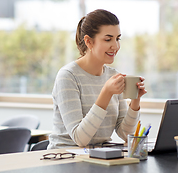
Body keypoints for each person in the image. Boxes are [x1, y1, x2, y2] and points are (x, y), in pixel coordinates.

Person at [48, 9, 146, 149]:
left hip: (99, 156)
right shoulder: (68, 76)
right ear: (89, 41)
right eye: (108, 39)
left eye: (117, 38)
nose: (116, 46)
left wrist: (135, 101)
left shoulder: (113, 76)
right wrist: (106, 93)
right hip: (66, 157)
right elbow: (80, 139)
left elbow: (126, 134)